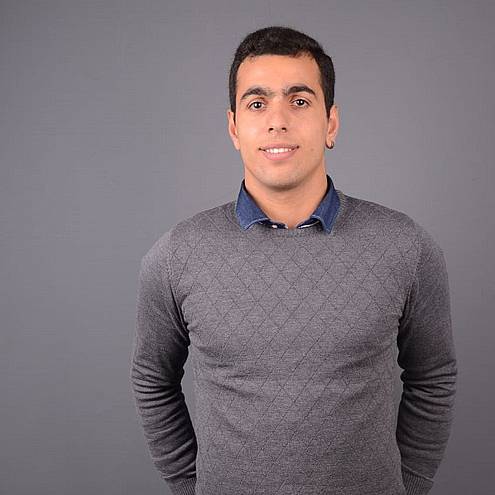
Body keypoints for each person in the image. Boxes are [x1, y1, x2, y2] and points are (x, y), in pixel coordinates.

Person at [130, 25, 457, 495]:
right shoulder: (176, 255)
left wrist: (410, 484)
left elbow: (433, 377)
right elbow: (151, 380)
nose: (277, 121)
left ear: (331, 124)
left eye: (299, 101)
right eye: (257, 104)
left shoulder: (406, 246)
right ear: (234, 128)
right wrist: (189, 485)